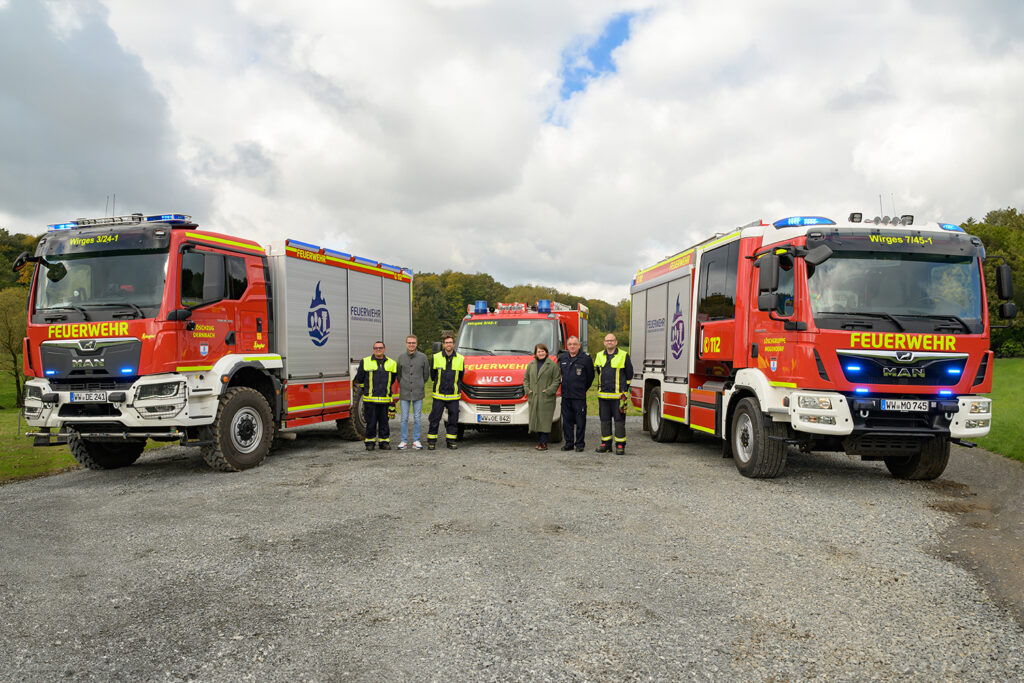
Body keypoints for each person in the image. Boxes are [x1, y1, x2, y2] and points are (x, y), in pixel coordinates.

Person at [354, 341, 397, 451]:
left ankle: (384, 443)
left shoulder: (392, 363)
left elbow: (392, 380)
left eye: (380, 348)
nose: (378, 349)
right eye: (376, 348)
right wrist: (367, 390)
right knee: (371, 422)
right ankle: (370, 443)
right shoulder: (365, 361)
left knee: (384, 423)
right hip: (370, 400)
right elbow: (360, 378)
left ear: (384, 349)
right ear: (373, 349)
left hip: (384, 400)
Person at [594, 333, 633, 455]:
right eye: (607, 340)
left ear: (616, 342)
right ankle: (606, 444)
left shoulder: (624, 355)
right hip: (603, 396)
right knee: (604, 420)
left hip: (619, 397)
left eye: (612, 340)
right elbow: (598, 372)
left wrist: (623, 390)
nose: (609, 342)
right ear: (604, 343)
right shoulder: (599, 355)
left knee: (619, 421)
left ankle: (620, 445)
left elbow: (629, 374)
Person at [427, 334, 465, 450]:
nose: (448, 344)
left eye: (450, 342)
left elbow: (461, 376)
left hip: (453, 396)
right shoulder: (436, 357)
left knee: (453, 420)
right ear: (444, 345)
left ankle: (451, 441)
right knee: (434, 419)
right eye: (446, 342)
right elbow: (433, 376)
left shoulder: (460, 358)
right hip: (439, 395)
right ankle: (432, 441)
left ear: (454, 344)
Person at [557, 335, 594, 452]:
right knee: (567, 421)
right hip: (566, 395)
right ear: (567, 346)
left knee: (580, 421)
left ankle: (579, 444)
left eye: (574, 344)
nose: (572, 346)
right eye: (570, 344)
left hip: (579, 396)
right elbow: (560, 375)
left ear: (579, 345)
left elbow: (590, 377)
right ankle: (569, 443)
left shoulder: (585, 359)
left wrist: (582, 388)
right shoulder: (563, 358)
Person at [523, 343, 561, 451]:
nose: (541, 353)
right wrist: (527, 390)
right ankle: (540, 441)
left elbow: (557, 380)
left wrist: (549, 391)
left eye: (543, 351)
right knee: (537, 419)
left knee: (545, 420)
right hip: (534, 396)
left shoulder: (552, 365)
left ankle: (543, 442)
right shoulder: (531, 365)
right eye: (539, 351)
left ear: (546, 352)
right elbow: (526, 379)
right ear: (535, 353)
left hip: (546, 397)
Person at [396, 334, 430, 450]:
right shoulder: (401, 357)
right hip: (404, 392)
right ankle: (403, 441)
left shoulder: (423, 357)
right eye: (409, 343)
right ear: (406, 344)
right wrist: (404, 384)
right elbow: (398, 374)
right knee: (404, 418)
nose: (411, 345)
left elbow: (426, 375)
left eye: (413, 343)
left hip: (418, 392)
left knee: (417, 417)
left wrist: (419, 384)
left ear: (416, 344)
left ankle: (416, 440)